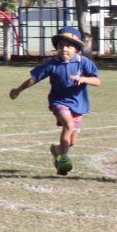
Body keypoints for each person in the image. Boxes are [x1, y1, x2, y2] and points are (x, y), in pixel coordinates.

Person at [9, 25, 101, 176]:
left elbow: (97, 81)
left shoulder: (83, 63)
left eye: (69, 46)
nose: (64, 49)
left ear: (77, 49)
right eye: (61, 45)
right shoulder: (52, 64)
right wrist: (18, 90)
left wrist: (84, 79)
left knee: (72, 141)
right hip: (59, 102)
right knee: (69, 125)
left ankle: (57, 151)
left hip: (78, 105)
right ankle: (63, 159)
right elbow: (34, 79)